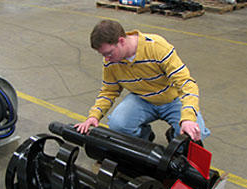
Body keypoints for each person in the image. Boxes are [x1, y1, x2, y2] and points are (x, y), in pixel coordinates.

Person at [75, 20, 210, 143]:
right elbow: (109, 91)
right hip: (142, 99)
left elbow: (187, 83)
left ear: (121, 41)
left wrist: (187, 118)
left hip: (172, 99)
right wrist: (94, 116)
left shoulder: (157, 47)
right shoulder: (111, 61)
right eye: (103, 55)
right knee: (118, 125)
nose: (107, 59)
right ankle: (144, 138)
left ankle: (174, 135)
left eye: (109, 53)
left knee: (195, 135)